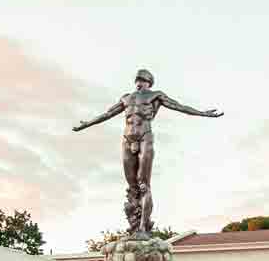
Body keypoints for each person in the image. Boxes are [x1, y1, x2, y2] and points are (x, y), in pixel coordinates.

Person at [72, 69, 223, 233]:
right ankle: (134, 224)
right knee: (132, 186)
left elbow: (178, 106)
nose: (139, 83)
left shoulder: (155, 95)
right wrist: (86, 124)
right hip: (127, 139)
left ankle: (143, 227)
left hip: (145, 136)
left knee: (143, 184)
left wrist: (202, 113)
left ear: (149, 82)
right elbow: (107, 114)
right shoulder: (126, 97)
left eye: (143, 80)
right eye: (137, 80)